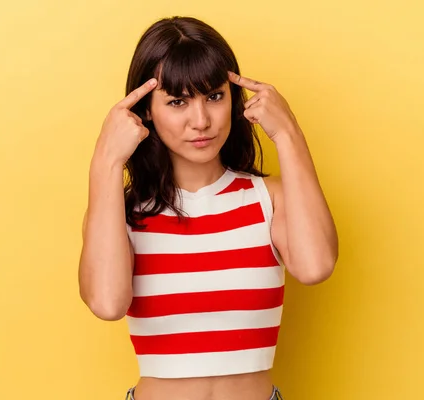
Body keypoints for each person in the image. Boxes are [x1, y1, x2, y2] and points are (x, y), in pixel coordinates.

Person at [78, 16, 338, 400]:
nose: (200, 121)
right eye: (177, 102)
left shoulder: (269, 198)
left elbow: (316, 267)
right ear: (146, 109)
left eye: (214, 96)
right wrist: (106, 161)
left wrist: (288, 133)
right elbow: (106, 302)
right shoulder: (123, 212)